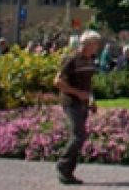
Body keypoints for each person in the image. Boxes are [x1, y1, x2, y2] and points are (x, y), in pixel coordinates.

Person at [54, 30, 100, 186]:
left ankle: (68, 172)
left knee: (80, 136)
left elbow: (88, 83)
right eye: (95, 44)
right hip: (71, 102)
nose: (97, 47)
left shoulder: (89, 60)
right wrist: (77, 93)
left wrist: (91, 99)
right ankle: (63, 164)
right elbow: (58, 81)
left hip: (84, 103)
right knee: (78, 135)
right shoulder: (71, 59)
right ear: (87, 44)